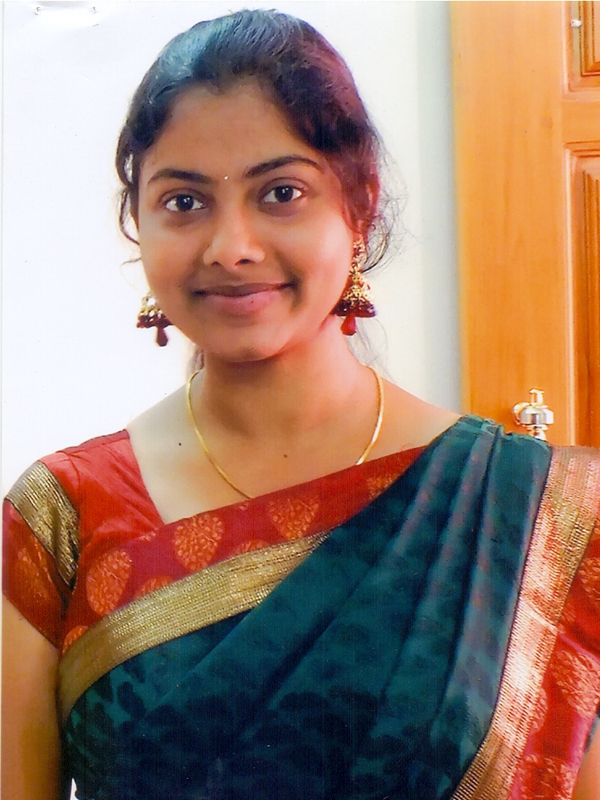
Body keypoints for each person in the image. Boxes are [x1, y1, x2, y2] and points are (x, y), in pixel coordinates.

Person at [2, 9, 599, 800]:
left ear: (360, 207)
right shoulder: (62, 518)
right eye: (183, 202)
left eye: (281, 193)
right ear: (137, 220)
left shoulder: (541, 518)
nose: (231, 247)